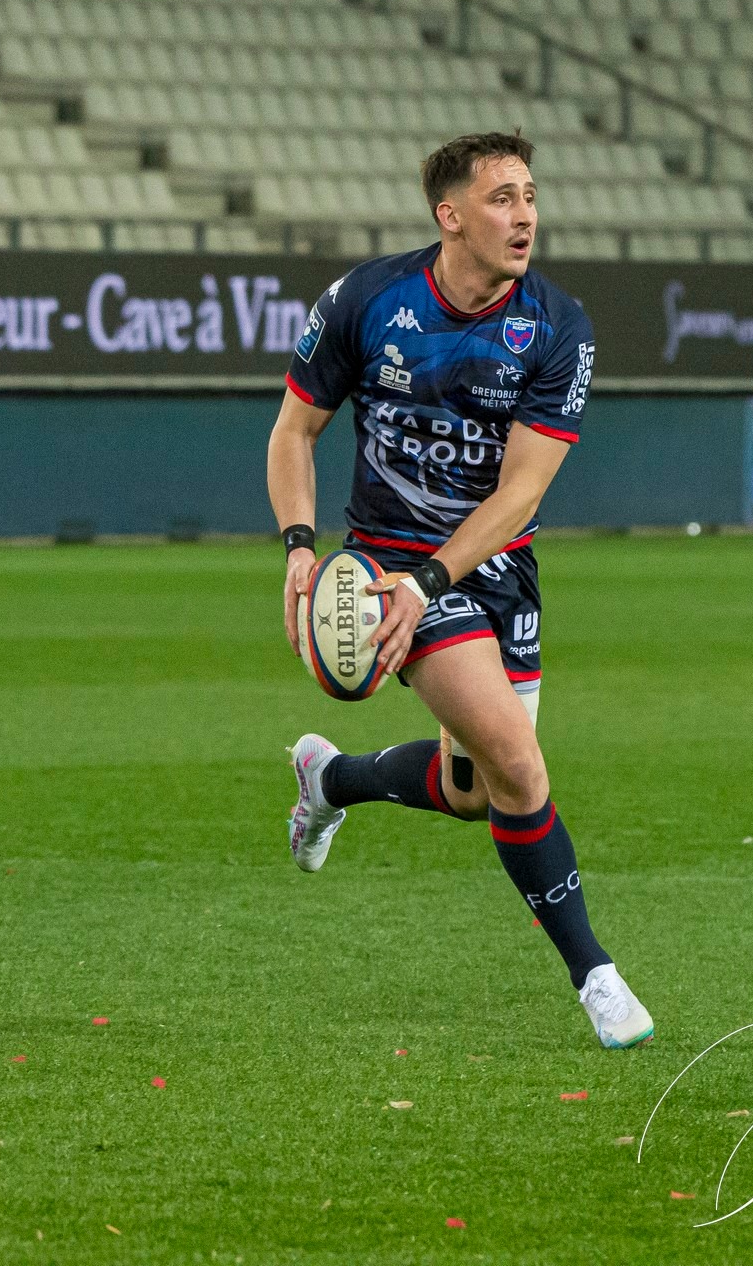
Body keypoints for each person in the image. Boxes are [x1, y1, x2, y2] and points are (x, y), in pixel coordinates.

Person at [269, 131, 653, 1050]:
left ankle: (333, 779)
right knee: (521, 767)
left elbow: (521, 490)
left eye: (529, 195)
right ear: (450, 215)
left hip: (492, 569)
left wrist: (441, 573)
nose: (523, 215)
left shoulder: (557, 326)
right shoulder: (367, 298)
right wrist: (298, 549)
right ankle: (596, 976)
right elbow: (294, 432)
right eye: (500, 198)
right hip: (391, 566)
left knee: (477, 790)